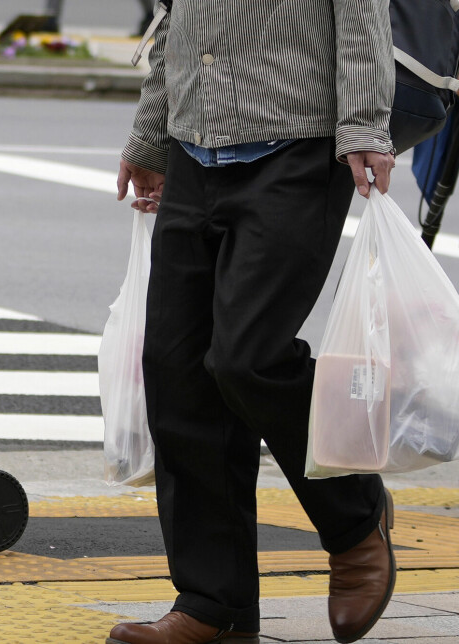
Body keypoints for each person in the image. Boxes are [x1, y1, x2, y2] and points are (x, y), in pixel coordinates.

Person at [109, 1, 397, 643]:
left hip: (295, 153)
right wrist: (152, 135)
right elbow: (171, 24)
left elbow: (360, 14)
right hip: (193, 156)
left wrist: (363, 127)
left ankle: (354, 520)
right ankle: (215, 604)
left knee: (248, 358)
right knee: (178, 378)